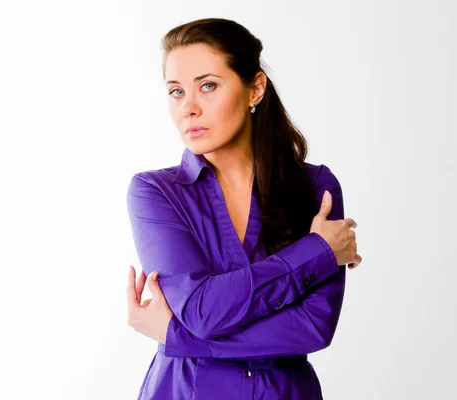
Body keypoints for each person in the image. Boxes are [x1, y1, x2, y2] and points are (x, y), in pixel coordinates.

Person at [126, 17, 362, 400]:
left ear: (255, 89)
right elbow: (202, 311)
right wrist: (316, 252)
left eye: (207, 86)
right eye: (175, 92)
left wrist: (179, 337)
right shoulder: (155, 193)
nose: (189, 108)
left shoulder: (315, 187)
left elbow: (314, 326)